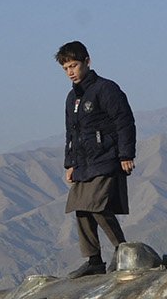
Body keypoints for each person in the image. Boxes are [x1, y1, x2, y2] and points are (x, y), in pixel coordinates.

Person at [56, 40, 136, 276]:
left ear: (87, 62)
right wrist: (69, 164)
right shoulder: (72, 99)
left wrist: (125, 155)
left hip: (106, 158)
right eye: (66, 68)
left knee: (96, 205)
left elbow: (124, 121)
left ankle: (123, 251)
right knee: (80, 209)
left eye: (74, 65)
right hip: (84, 163)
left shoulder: (106, 89)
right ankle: (94, 261)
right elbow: (71, 133)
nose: (70, 72)